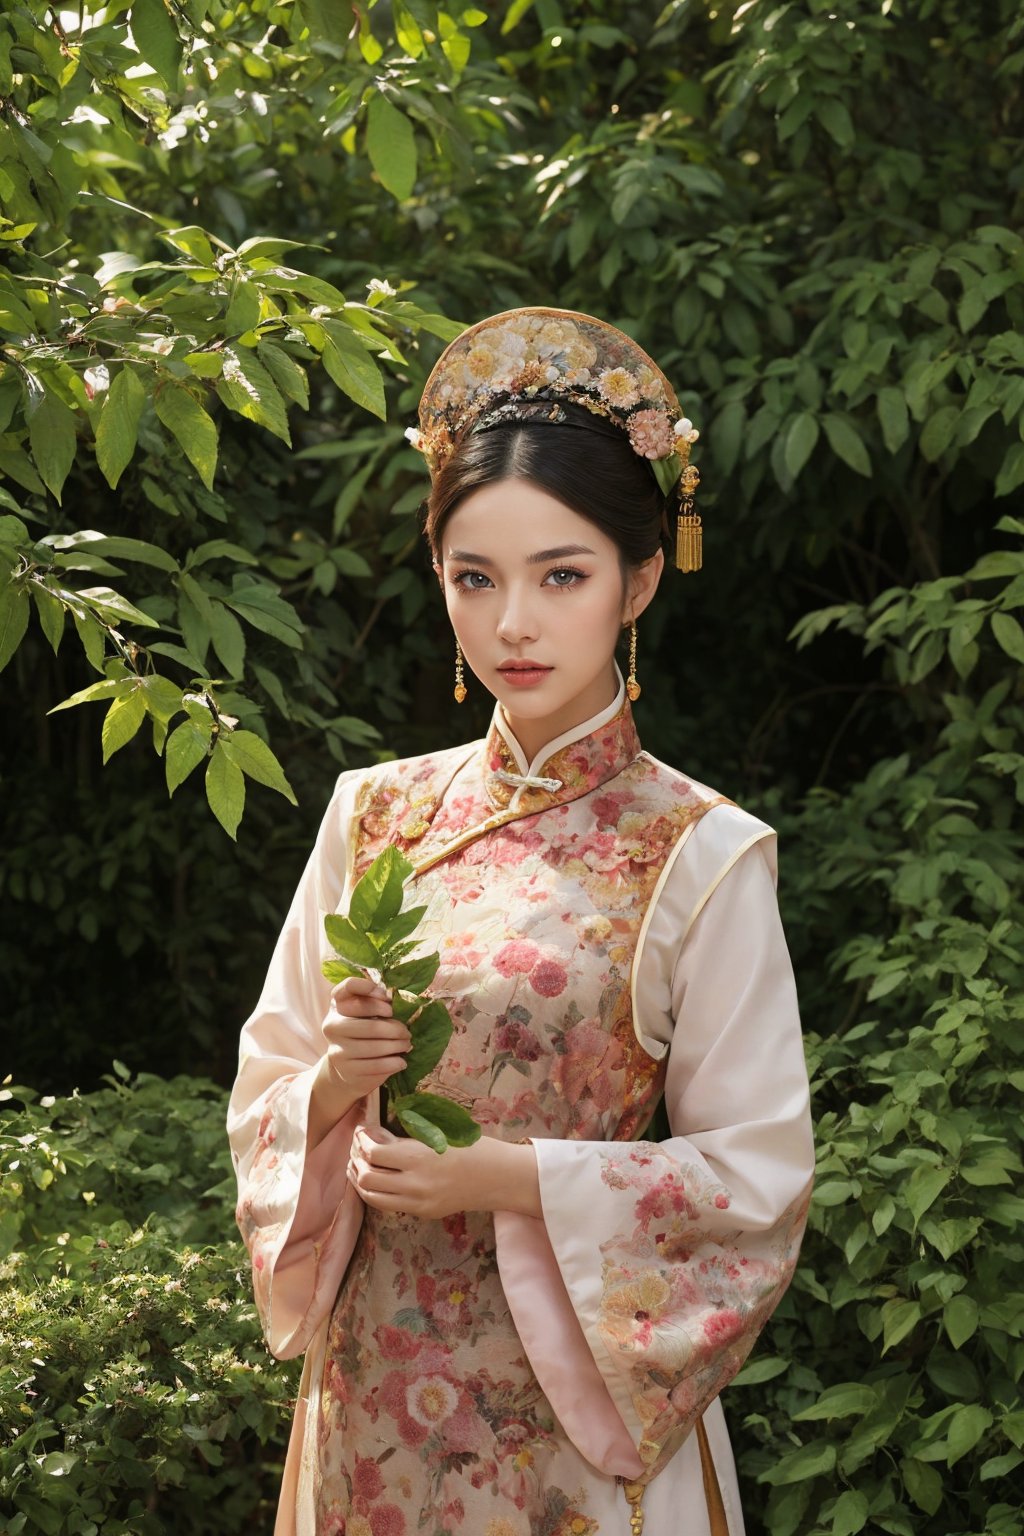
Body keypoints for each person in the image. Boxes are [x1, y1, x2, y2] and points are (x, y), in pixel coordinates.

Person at [227, 307, 815, 1536]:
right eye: (473, 579)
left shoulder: (701, 851)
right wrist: (332, 1082)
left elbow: (756, 1173)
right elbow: (267, 1080)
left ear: (640, 578)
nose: (512, 625)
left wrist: (505, 1177)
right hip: (372, 1391)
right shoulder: (371, 813)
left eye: (562, 575)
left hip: (578, 1415)